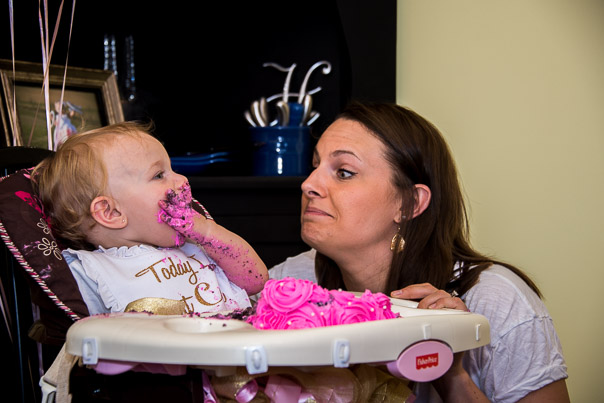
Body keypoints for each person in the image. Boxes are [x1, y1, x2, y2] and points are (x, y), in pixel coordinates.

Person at [270, 102, 569, 402]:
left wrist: (450, 374)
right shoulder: (290, 283)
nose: (308, 184)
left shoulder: (497, 302)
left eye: (344, 172)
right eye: (314, 166)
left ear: (409, 203)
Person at [32, 121, 268, 315]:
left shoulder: (197, 245)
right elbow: (87, 341)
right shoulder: (91, 272)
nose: (182, 180)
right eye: (159, 175)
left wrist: (206, 231)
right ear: (111, 213)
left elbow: (256, 281)